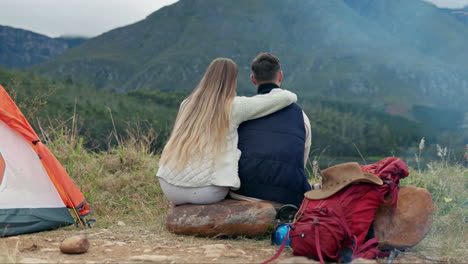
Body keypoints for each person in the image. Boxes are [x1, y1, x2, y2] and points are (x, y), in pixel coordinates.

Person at [156, 57, 298, 205]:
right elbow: (286, 97)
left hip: (169, 186)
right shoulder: (234, 106)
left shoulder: (186, 104)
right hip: (207, 191)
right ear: (232, 81)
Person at [230, 53, 312, 207]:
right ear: (280, 76)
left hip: (243, 192)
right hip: (288, 197)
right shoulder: (301, 115)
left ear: (253, 79)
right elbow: (300, 160)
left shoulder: (242, 111)